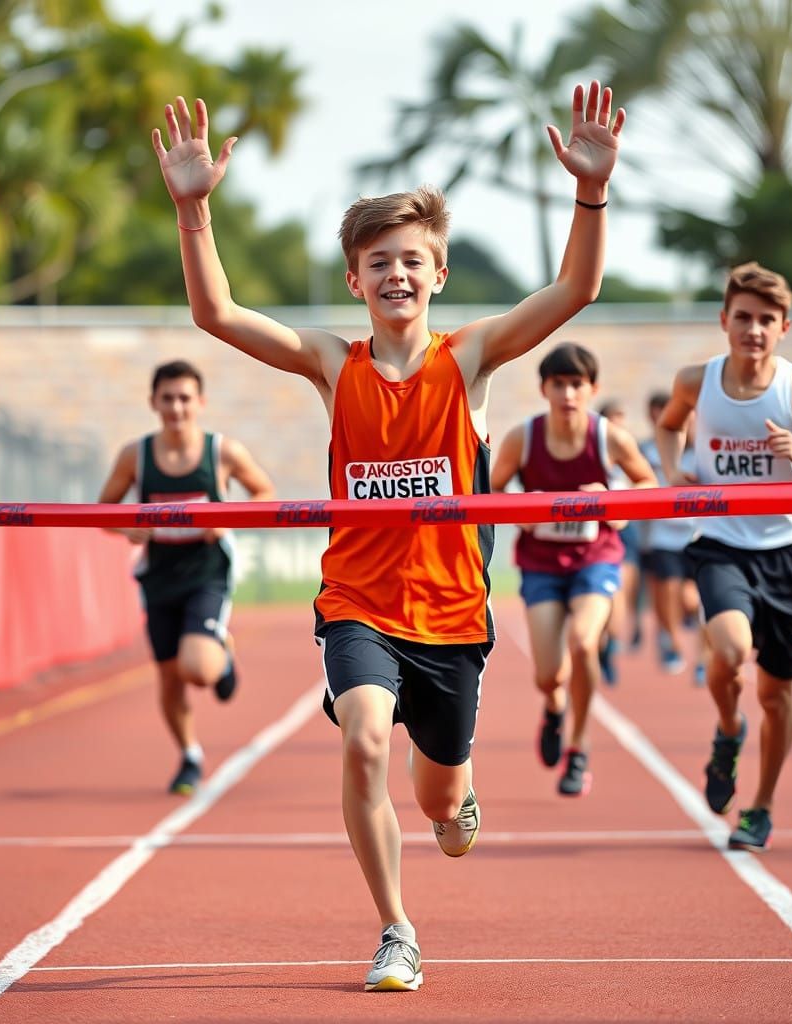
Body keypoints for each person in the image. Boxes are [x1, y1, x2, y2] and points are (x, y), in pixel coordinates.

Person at [151, 84, 624, 991]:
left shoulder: (471, 359)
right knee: (364, 737)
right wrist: (193, 209)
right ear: (354, 280)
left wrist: (590, 192)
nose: (395, 274)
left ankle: (458, 795)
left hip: (451, 617)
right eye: (378, 262)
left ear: (438, 274)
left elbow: (577, 288)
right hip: (358, 604)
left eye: (411, 259)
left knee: (443, 808)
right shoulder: (335, 365)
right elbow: (217, 316)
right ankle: (396, 929)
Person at [656, 262, 792, 851]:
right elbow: (671, 427)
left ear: (783, 328)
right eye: (743, 317)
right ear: (724, 321)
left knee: (776, 694)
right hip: (720, 544)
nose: (753, 329)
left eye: (766, 320)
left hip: (787, 552)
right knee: (727, 650)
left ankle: (761, 807)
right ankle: (727, 729)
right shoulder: (697, 380)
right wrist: (675, 473)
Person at [98, 360, 275, 795]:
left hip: (207, 572)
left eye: (184, 399)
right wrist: (128, 526)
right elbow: (104, 510)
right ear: (153, 403)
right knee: (169, 676)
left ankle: (222, 655)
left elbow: (265, 493)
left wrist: (228, 518)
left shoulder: (221, 452)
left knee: (197, 668)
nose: (176, 408)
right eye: (167, 399)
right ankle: (189, 755)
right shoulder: (135, 456)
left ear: (200, 402)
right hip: (158, 575)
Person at [490, 344, 654, 796]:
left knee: (584, 642)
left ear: (592, 389)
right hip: (541, 562)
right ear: (544, 389)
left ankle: (578, 749)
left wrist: (611, 500)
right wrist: (519, 512)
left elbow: (648, 484)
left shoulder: (609, 438)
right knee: (548, 674)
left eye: (576, 384)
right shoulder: (523, 438)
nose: (567, 393)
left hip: (595, 556)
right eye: (559, 384)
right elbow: (490, 489)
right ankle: (555, 706)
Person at [640, 400, 704, 683]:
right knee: (666, 592)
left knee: (694, 599)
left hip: (698, 535)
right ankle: (673, 641)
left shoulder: (705, 452)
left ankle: (703, 657)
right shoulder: (652, 451)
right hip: (663, 535)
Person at [596, 396, 644, 683]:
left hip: (624, 529)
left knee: (621, 593)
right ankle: (600, 643)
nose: (619, 429)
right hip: (595, 530)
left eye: (622, 423)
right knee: (602, 596)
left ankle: (610, 645)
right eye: (614, 421)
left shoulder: (628, 450)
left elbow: (645, 482)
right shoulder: (590, 447)